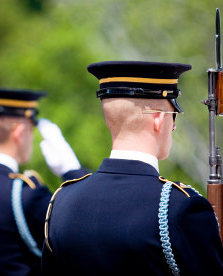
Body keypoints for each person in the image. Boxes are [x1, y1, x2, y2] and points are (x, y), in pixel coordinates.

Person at [41, 61, 223, 275]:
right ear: (158, 119)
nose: (173, 126)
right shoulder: (180, 208)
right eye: (173, 116)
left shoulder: (62, 201)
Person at [0, 86, 87, 276]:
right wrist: (73, 172)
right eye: (31, 128)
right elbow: (84, 236)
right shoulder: (26, 197)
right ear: (19, 132)